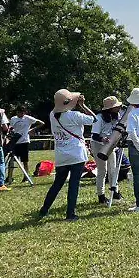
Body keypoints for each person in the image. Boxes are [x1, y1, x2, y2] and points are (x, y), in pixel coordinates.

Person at [40, 89, 94, 221]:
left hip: (61, 155)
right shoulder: (75, 115)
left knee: (57, 184)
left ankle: (44, 209)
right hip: (76, 154)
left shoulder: (52, 115)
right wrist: (83, 105)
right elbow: (94, 119)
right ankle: (70, 214)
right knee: (74, 184)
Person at [90, 95, 126, 207]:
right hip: (98, 145)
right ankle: (101, 196)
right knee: (102, 170)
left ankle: (114, 191)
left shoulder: (117, 116)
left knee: (113, 169)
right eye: (116, 106)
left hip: (111, 146)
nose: (119, 107)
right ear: (109, 108)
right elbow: (94, 135)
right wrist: (103, 139)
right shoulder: (99, 118)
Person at [7, 105, 42, 185]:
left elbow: (41, 123)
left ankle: (25, 177)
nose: (21, 114)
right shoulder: (13, 119)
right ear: (17, 112)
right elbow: (10, 128)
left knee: (25, 161)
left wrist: (32, 129)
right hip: (15, 141)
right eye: (19, 112)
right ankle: (9, 177)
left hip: (24, 141)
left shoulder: (28, 118)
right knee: (12, 160)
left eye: (23, 112)